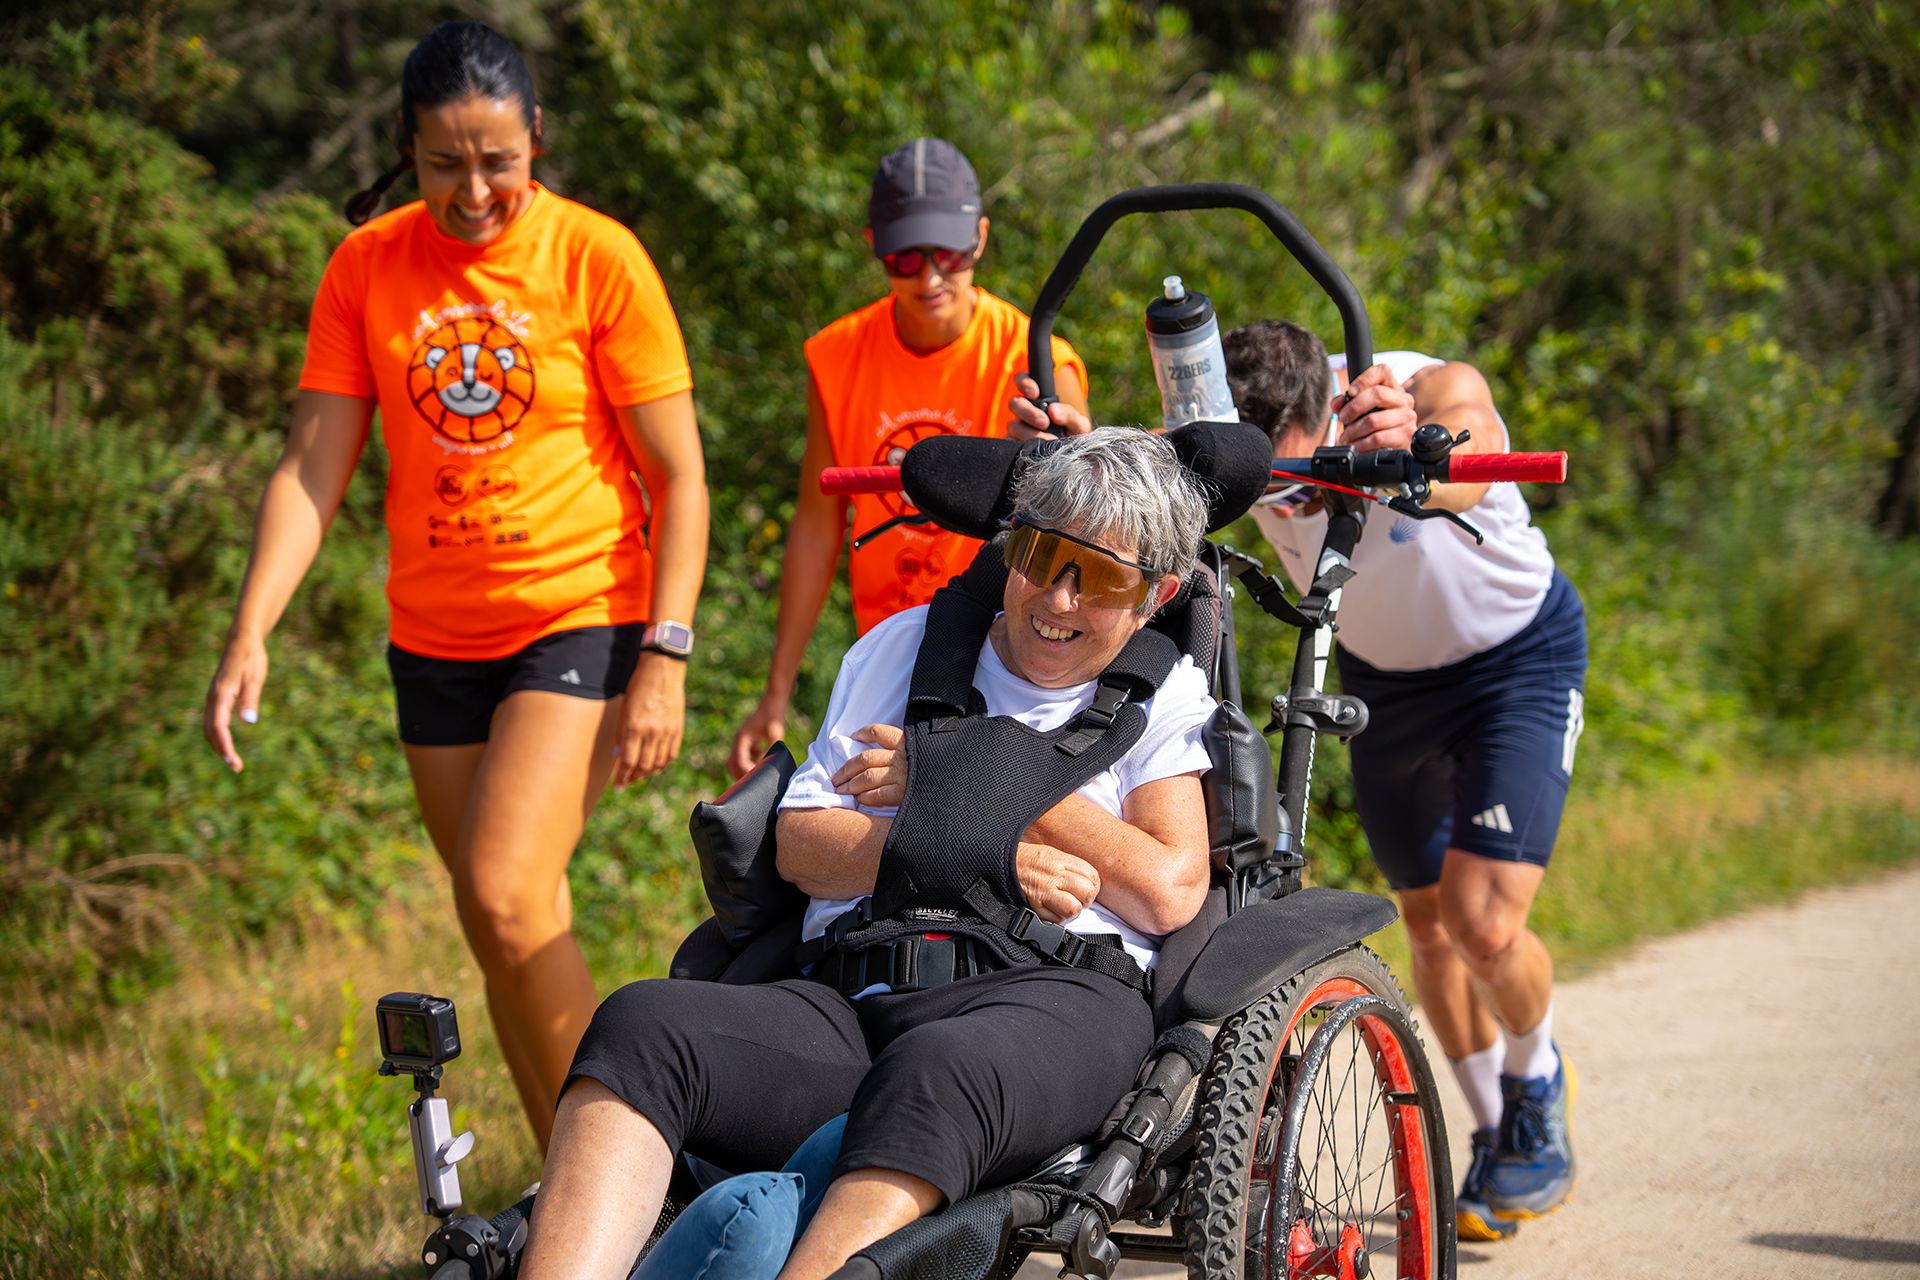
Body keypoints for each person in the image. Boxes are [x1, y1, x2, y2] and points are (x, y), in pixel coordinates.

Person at [520, 429, 1216, 1280]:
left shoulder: (1161, 691)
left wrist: (983, 772)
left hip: (1049, 998)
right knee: (641, 1024)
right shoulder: (906, 648)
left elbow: (1170, 889)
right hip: (856, 989)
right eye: (1040, 555)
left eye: (1102, 577)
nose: (1060, 599)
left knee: (936, 1072)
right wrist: (985, 853)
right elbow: (804, 846)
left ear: (1157, 594)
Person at [200, 21, 709, 1151]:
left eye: (498, 161)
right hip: (432, 641)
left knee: (502, 890)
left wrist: (666, 654)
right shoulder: (368, 265)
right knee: (510, 927)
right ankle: (566, 1207)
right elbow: (309, 465)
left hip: (577, 614)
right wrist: (252, 628)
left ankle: (628, 1175)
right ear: (406, 148)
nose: (475, 190)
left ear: (536, 135)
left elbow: (680, 476)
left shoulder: (595, 256)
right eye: (445, 164)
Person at [1222, 320, 1585, 1241]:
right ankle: (1499, 1134)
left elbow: (1474, 440)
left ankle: (1536, 1080)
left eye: (1301, 481)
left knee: (1485, 922)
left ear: (1328, 413)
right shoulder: (1230, 428)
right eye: (1269, 491)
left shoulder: (1425, 390)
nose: (1286, 505)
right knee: (1423, 924)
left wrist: (1420, 458)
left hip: (1514, 663)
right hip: (1385, 679)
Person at [727, 137, 1090, 778]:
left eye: (948, 253)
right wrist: (775, 692)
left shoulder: (1035, 358)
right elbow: (818, 524)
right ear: (874, 244)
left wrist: (1060, 461)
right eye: (904, 257)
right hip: (891, 656)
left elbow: (1081, 537)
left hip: (1002, 658)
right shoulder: (836, 356)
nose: (929, 278)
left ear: (979, 238)